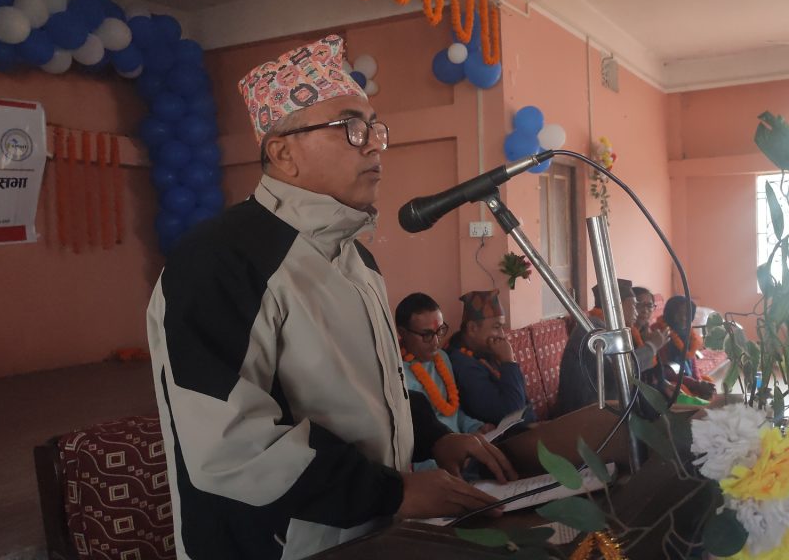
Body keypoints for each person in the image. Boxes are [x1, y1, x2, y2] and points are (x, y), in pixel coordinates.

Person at [147, 36, 515, 560]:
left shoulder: (357, 260)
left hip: (369, 533)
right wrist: (393, 493)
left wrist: (435, 437)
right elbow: (230, 444)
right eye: (350, 127)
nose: (373, 145)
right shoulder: (219, 261)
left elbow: (374, 392)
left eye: (374, 128)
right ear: (282, 152)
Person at [555, 279, 668, 416]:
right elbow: (620, 372)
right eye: (633, 306)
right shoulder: (595, 332)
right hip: (585, 415)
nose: (636, 313)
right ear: (616, 306)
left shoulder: (604, 327)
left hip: (604, 409)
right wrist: (652, 346)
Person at [395, 293, 494, 443]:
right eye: (427, 334)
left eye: (440, 331)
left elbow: (452, 413)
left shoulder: (442, 357)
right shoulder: (397, 374)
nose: (436, 342)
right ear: (403, 332)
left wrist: (475, 427)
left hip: (464, 442)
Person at [447, 290, 532, 425]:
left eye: (502, 327)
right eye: (496, 327)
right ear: (472, 328)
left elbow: (523, 399)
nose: (502, 335)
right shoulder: (463, 365)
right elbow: (512, 414)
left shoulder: (485, 351)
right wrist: (508, 361)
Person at [651, 295, 715, 400]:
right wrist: (694, 384)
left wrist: (698, 380)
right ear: (670, 313)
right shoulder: (659, 332)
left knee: (709, 384)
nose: (684, 318)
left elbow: (691, 359)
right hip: (668, 379)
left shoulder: (687, 332)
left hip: (686, 376)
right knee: (682, 390)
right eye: (679, 313)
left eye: (687, 314)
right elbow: (664, 370)